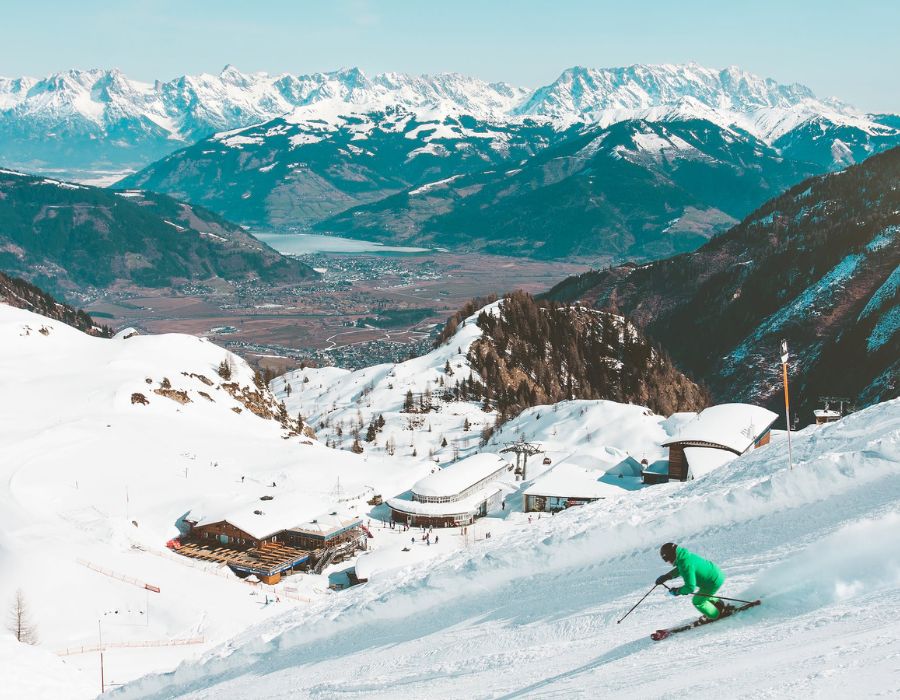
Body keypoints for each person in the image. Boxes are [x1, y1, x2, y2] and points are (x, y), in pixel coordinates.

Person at [656, 543, 726, 620]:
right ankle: (719, 604)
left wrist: (677, 591)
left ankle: (716, 615)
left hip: (712, 582)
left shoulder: (685, 564)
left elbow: (690, 587)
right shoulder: (685, 556)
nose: (669, 562)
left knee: (697, 601)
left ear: (672, 556)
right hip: (716, 573)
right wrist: (667, 576)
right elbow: (681, 568)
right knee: (702, 595)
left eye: (668, 560)